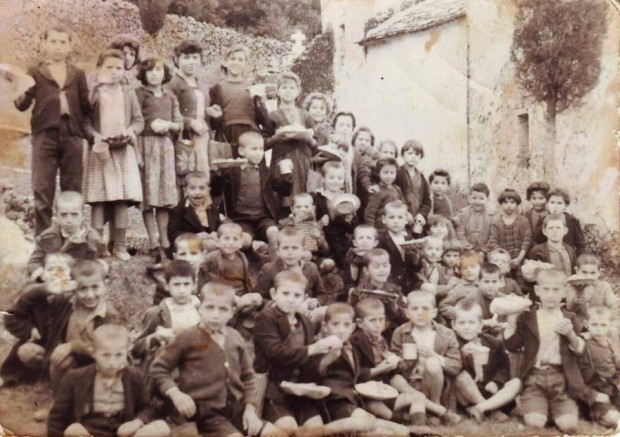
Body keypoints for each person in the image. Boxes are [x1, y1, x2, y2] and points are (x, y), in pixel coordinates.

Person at [150, 282, 265, 437]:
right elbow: (159, 368)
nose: (215, 315)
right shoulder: (187, 337)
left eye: (223, 309)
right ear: (199, 309)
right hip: (206, 413)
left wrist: (250, 409)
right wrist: (175, 393)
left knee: (275, 433)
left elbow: (248, 376)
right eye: (209, 308)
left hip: (236, 409)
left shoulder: (235, 337)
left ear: (232, 312)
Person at [12, 24, 92, 235]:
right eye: (53, 41)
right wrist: (17, 86)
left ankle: (74, 242)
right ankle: (44, 242)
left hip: (72, 135)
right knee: (42, 190)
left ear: (69, 47)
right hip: (44, 135)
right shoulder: (35, 72)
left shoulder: (78, 74)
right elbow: (22, 104)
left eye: (63, 42)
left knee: (73, 192)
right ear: (44, 44)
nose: (57, 47)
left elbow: (86, 107)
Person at [503, 268, 599, 433]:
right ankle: (539, 410)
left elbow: (581, 351)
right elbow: (512, 345)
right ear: (537, 290)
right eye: (546, 289)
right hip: (534, 377)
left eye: (556, 290)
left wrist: (570, 334)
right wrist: (511, 322)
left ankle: (557, 409)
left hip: (561, 378)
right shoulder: (527, 317)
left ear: (564, 292)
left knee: (569, 425)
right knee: (535, 423)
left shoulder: (569, 318)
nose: (550, 295)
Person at [1, 260, 118, 390]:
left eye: (95, 287)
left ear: (105, 285)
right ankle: (49, 378)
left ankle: (67, 392)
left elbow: (108, 351)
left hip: (91, 364)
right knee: (27, 351)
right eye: (83, 289)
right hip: (63, 358)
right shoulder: (65, 302)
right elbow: (13, 315)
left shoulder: (109, 314)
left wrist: (73, 346)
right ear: (74, 288)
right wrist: (45, 289)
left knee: (64, 362)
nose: (90, 295)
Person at [308, 303, 412, 436]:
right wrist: (329, 356)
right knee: (385, 430)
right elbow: (313, 373)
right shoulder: (322, 348)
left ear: (352, 328)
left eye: (346, 325)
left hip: (353, 400)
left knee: (398, 430)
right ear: (325, 326)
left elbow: (354, 375)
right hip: (334, 404)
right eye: (335, 324)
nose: (341, 330)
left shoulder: (350, 346)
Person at [47, 324, 170, 437]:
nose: (112, 362)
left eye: (119, 355)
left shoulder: (134, 377)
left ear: (126, 353)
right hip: (89, 432)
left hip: (122, 432)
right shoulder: (75, 378)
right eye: (106, 355)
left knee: (161, 427)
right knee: (73, 429)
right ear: (94, 353)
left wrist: (137, 422)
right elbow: (56, 418)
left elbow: (147, 408)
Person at [253, 270, 334, 435]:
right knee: (287, 427)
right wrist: (313, 349)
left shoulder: (305, 322)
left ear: (305, 298)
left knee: (316, 428)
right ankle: (266, 424)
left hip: (300, 388)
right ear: (273, 294)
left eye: (297, 295)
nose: (291, 299)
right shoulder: (266, 318)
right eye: (285, 293)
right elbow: (275, 352)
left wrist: (326, 357)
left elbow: (309, 360)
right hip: (274, 387)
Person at [83, 49, 144, 261]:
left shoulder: (128, 93)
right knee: (98, 200)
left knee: (121, 200)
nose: (114, 71)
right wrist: (95, 136)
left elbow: (138, 120)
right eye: (108, 67)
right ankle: (97, 247)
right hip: (101, 152)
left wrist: (131, 131)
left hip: (123, 151)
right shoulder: (93, 93)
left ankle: (120, 245)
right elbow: (85, 121)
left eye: (118, 68)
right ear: (99, 68)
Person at [349, 298, 431, 434]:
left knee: (418, 396)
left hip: (384, 391)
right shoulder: (354, 342)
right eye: (372, 320)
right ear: (359, 323)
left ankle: (419, 426)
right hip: (366, 394)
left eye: (381, 320)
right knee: (377, 408)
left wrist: (396, 363)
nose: (378, 325)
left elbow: (390, 372)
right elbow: (354, 373)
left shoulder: (381, 340)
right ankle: (402, 419)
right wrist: (379, 369)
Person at [211, 131, 291, 259]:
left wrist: (286, 175)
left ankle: (275, 264)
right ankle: (247, 257)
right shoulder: (232, 171)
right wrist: (221, 173)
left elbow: (283, 190)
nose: (259, 153)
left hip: (263, 217)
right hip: (241, 218)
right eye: (254, 149)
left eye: (261, 149)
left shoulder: (265, 171)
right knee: (245, 242)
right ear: (241, 151)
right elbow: (216, 190)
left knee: (274, 233)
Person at [135, 56, 183, 261]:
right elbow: (134, 120)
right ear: (143, 74)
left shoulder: (170, 96)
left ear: (165, 74)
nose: (155, 74)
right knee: (148, 196)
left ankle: (164, 240)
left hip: (165, 148)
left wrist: (169, 125)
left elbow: (179, 122)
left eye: (159, 70)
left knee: (163, 196)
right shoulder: (139, 94)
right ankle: (152, 241)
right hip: (145, 145)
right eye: (150, 70)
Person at [390, 290, 462, 425]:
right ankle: (436, 410)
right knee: (395, 379)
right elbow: (394, 364)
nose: (420, 313)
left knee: (432, 363)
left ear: (434, 312)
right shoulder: (400, 332)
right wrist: (405, 360)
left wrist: (435, 356)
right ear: (407, 313)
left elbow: (456, 365)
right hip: (410, 383)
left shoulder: (446, 333)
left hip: (435, 385)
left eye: (425, 308)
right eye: (414, 309)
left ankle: (435, 403)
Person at [452, 299, 521, 422]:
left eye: (471, 322)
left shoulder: (494, 343)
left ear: (480, 325)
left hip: (491, 390)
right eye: (461, 323)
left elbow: (504, 368)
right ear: (454, 325)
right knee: (461, 377)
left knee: (516, 382)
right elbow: (451, 369)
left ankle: (481, 408)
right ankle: (492, 410)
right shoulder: (452, 344)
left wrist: (496, 382)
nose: (467, 327)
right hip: (468, 392)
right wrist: (462, 355)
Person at [132, 260, 201, 366]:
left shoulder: (201, 310)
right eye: (176, 284)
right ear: (167, 286)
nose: (182, 290)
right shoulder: (156, 313)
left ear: (194, 285)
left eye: (186, 284)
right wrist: (156, 337)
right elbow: (135, 350)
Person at [27, 191, 105, 281]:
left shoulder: (92, 237)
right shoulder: (47, 238)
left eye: (74, 214)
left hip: (83, 281)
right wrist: (43, 274)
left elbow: (105, 258)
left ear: (83, 215)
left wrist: (95, 271)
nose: (69, 220)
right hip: (55, 280)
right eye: (64, 215)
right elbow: (34, 262)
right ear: (56, 216)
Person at [199, 223, 263, 331]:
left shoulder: (242, 257)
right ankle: (232, 316)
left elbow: (246, 278)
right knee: (235, 301)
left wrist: (251, 290)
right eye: (226, 238)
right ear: (218, 242)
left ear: (241, 243)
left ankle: (236, 314)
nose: (230, 242)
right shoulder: (213, 257)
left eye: (235, 239)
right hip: (222, 294)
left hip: (241, 295)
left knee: (257, 299)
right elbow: (202, 271)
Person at [209, 44, 268, 155]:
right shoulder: (217, 88)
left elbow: (264, 120)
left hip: (250, 136)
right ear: (225, 62)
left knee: (251, 165)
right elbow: (213, 125)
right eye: (232, 59)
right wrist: (217, 117)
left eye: (240, 60)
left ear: (246, 64)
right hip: (226, 136)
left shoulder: (253, 86)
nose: (236, 62)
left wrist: (261, 103)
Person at [266, 71, 316, 203]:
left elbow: (314, 144)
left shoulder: (305, 115)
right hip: (282, 160)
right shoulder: (272, 116)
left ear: (298, 91)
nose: (288, 91)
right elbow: (264, 144)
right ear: (278, 91)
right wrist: (277, 137)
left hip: (303, 161)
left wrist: (307, 138)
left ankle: (302, 216)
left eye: (292, 88)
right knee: (283, 196)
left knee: (303, 198)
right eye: (284, 87)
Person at [167, 39, 211, 175]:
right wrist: (189, 122)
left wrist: (211, 112)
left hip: (203, 137)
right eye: (186, 58)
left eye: (195, 57)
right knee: (186, 174)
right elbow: (167, 112)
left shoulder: (203, 85)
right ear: (177, 60)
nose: (191, 62)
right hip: (184, 137)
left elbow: (202, 111)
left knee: (203, 175)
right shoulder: (173, 84)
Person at [348, 248, 407, 341]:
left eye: (385, 266)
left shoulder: (395, 290)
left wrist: (395, 308)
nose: (382, 270)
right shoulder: (359, 291)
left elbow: (404, 318)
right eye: (376, 266)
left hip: (389, 332)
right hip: (366, 333)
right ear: (366, 270)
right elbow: (351, 316)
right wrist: (360, 303)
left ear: (390, 267)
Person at [254, 227, 325, 304]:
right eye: (285, 248)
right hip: (278, 308)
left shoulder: (311, 268)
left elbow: (322, 294)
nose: (290, 252)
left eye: (295, 248)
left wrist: (316, 301)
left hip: (305, 308)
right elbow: (260, 298)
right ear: (278, 251)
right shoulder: (268, 269)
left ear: (303, 250)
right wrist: (276, 304)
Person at [578, 306, 620, 428]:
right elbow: (577, 379)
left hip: (612, 388)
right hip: (594, 391)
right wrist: (592, 395)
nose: (599, 329)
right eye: (594, 325)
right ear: (586, 324)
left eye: (603, 325)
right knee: (613, 418)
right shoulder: (583, 345)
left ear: (609, 325)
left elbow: (616, 366)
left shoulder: (610, 343)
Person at [167, 171, 223, 257]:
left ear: (208, 190)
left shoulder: (212, 209)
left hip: (210, 245)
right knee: (211, 245)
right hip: (188, 247)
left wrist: (216, 233)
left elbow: (219, 226)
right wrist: (195, 236)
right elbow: (173, 234)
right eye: (192, 188)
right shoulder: (178, 210)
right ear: (185, 190)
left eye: (202, 188)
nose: (197, 192)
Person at [566, 254, 618, 329]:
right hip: (577, 327)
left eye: (593, 273)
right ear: (577, 270)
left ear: (599, 272)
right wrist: (578, 295)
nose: (589, 276)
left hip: (598, 326)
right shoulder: (572, 286)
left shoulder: (604, 286)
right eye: (584, 272)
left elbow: (612, 308)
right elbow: (569, 309)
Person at [376, 200, 419, 291]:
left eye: (400, 217)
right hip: (390, 281)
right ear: (384, 219)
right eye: (391, 217)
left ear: (406, 220)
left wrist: (416, 256)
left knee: (428, 288)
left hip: (409, 280)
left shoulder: (409, 238)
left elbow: (414, 266)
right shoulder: (381, 239)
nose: (396, 221)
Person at [486, 188, 532, 272]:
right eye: (505, 202)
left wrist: (519, 259)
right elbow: (493, 241)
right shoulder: (496, 222)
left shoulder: (523, 220)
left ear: (517, 204)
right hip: (502, 260)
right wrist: (505, 259)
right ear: (501, 204)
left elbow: (526, 241)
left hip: (520, 258)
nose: (509, 205)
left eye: (512, 202)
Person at [153, 233, 205, 305]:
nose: (188, 259)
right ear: (175, 257)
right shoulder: (165, 284)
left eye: (193, 253)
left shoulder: (211, 280)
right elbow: (159, 308)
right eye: (182, 254)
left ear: (203, 255)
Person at [532, 188, 586, 255]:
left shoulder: (572, 220)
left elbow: (581, 245)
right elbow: (537, 239)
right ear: (547, 204)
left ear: (565, 206)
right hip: (548, 256)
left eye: (559, 203)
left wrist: (577, 258)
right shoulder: (543, 220)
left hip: (567, 255)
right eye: (552, 203)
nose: (555, 206)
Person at [438, 251, 485, 321]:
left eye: (473, 266)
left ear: (480, 268)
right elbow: (443, 306)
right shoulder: (456, 289)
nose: (469, 270)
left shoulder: (484, 285)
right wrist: (461, 314)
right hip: (466, 323)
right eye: (465, 268)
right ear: (460, 271)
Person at [395, 139, 432, 226]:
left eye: (417, 154)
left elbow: (427, 200)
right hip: (400, 217)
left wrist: (422, 214)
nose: (413, 156)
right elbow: (394, 195)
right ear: (403, 155)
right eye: (410, 153)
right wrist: (404, 212)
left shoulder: (422, 178)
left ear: (420, 157)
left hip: (416, 219)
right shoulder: (397, 173)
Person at [364, 157, 406, 228]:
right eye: (385, 172)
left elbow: (404, 204)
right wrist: (372, 231)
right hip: (382, 229)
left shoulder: (397, 189)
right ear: (378, 173)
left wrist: (405, 211)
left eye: (392, 173)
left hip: (396, 226)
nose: (389, 176)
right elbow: (369, 214)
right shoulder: (377, 191)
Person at [455, 183, 494, 253]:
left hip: (486, 251)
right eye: (474, 198)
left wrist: (484, 251)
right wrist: (468, 248)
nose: (477, 201)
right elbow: (460, 234)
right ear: (469, 198)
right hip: (466, 250)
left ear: (487, 200)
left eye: (481, 198)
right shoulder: (462, 214)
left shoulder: (492, 216)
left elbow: (493, 237)